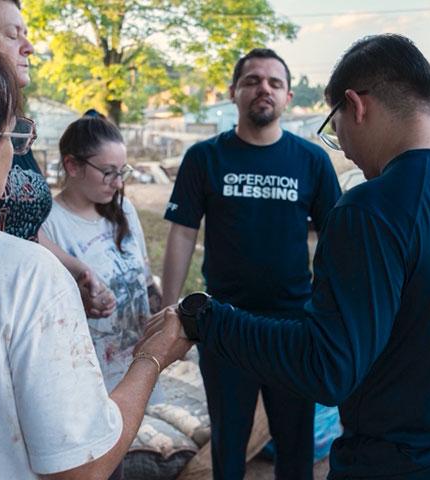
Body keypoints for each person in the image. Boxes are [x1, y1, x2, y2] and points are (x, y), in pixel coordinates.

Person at [150, 34, 430, 479]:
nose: (347, 150)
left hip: (402, 465)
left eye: (336, 129)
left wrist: (204, 319)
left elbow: (328, 367)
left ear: (355, 106)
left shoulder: (373, 209)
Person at [0, 35, 190, 480]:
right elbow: (83, 468)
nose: (18, 153)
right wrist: (153, 356)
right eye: (13, 136)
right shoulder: (24, 274)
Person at [161, 48, 341, 479]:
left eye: (274, 83)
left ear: (289, 97)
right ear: (233, 92)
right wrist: (171, 310)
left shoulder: (312, 160)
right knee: (228, 440)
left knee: (294, 443)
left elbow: (336, 239)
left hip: (293, 327)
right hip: (224, 323)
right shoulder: (204, 158)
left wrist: (330, 310)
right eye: (253, 80)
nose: (264, 88)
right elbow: (183, 232)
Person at [0, 0, 115, 318]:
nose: (29, 47)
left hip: (26, 301)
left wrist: (74, 269)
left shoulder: (14, 129)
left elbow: (24, 226)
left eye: (27, 34)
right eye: (12, 34)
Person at [42, 113, 162, 396]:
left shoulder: (125, 210)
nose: (118, 183)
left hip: (137, 369)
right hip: (89, 380)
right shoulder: (48, 224)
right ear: (72, 165)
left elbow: (144, 281)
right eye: (108, 172)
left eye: (122, 172)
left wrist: (164, 322)